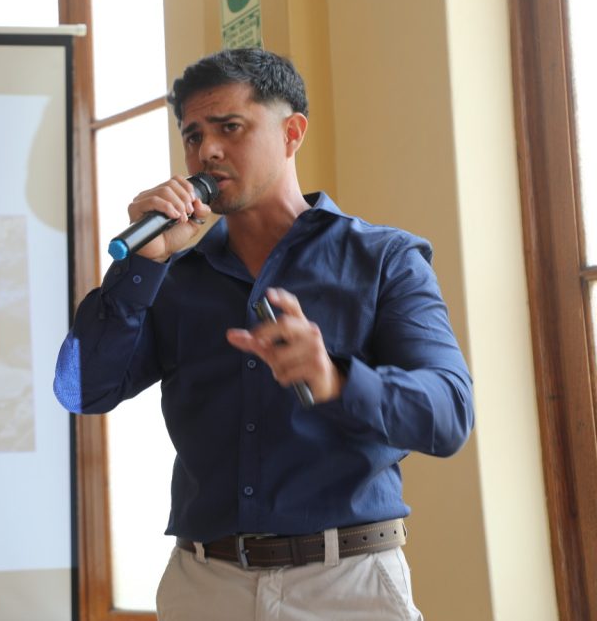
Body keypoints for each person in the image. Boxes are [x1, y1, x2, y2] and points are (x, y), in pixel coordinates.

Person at [53, 48, 473, 620]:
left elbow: (448, 416)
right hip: (205, 586)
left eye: (229, 127)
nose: (207, 150)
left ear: (292, 133)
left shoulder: (384, 259)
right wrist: (141, 269)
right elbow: (82, 390)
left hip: (348, 585)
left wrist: (335, 380)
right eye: (193, 135)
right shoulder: (169, 278)